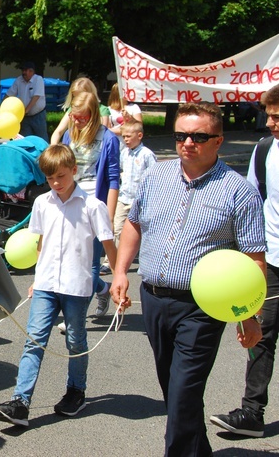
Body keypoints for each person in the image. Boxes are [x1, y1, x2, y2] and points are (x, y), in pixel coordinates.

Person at [110, 102, 266, 456]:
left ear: (218, 141)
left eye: (198, 136)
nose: (187, 143)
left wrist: (248, 315)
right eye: (181, 135)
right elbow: (134, 223)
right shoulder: (156, 177)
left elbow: (253, 260)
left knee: (182, 395)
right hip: (153, 298)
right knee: (177, 390)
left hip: (202, 307)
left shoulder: (239, 191)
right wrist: (120, 271)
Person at [0, 144, 116, 426]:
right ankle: (20, 402)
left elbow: (109, 244)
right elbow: (41, 241)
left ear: (74, 170)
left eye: (61, 176)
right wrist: (37, 278)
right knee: (33, 340)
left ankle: (76, 391)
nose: (56, 183)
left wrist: (119, 277)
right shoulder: (42, 203)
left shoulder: (92, 206)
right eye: (50, 179)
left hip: (77, 286)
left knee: (75, 341)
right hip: (47, 284)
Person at [210, 86, 279, 438]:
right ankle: (252, 412)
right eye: (269, 115)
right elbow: (251, 202)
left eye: (277, 117)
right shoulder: (265, 149)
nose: (270, 123)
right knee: (261, 335)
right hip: (273, 259)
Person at [61, 92, 119, 317]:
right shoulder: (69, 135)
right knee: (71, 258)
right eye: (75, 117)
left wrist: (110, 215)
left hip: (96, 203)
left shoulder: (108, 138)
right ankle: (102, 289)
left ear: (94, 115)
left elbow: (113, 179)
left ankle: (76, 316)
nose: (77, 121)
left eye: (83, 118)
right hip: (71, 200)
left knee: (91, 262)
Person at [100, 120, 156, 275]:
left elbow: (154, 176)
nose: (125, 140)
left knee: (144, 232)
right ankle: (112, 262)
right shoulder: (124, 152)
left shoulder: (147, 155)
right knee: (117, 229)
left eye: (129, 136)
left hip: (141, 201)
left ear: (140, 135)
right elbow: (118, 171)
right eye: (123, 136)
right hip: (123, 199)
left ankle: (145, 263)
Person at [50, 77, 111, 144]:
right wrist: (53, 147)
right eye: (74, 96)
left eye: (80, 96)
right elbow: (58, 131)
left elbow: (100, 133)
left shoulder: (102, 110)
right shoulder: (72, 109)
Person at [6, 61, 47, 141]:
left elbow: (36, 96)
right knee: (25, 140)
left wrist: (26, 110)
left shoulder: (38, 79)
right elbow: (9, 94)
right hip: (25, 117)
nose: (24, 72)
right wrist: (3, 108)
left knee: (42, 140)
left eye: (27, 70)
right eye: (23, 70)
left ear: (32, 71)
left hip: (38, 115)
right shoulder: (19, 80)